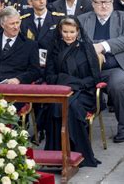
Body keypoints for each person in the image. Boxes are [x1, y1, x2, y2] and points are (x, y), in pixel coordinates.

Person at [78, 0, 124, 143]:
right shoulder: (82, 19)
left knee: (119, 85)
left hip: (115, 67)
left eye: (107, 2)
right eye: (99, 2)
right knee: (73, 83)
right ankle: (78, 126)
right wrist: (94, 50)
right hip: (88, 68)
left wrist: (103, 46)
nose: (104, 6)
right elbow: (76, 40)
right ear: (93, 4)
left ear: (113, 2)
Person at [43, 17, 101, 167]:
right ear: (60, 32)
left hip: (84, 93)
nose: (68, 35)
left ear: (78, 31)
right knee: (59, 106)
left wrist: (76, 84)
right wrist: (66, 80)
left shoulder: (87, 48)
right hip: (61, 92)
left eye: (72, 32)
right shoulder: (54, 49)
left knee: (72, 107)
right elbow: (49, 76)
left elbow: (94, 78)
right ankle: (59, 154)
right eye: (65, 32)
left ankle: (79, 153)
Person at [0, 6, 41, 84]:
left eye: (17, 23)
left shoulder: (30, 45)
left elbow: (35, 71)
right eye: (12, 24)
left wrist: (18, 79)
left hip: (16, 89)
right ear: (2, 24)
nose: (16, 27)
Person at [20, 0, 65, 68]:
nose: (41, 1)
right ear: (30, 2)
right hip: (31, 65)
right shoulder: (23, 21)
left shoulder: (58, 19)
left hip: (53, 64)